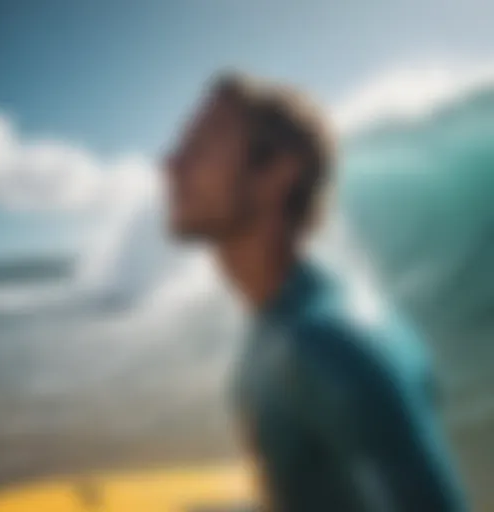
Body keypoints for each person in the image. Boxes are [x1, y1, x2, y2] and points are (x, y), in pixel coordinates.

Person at [164, 72, 467, 511]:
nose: (171, 165)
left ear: (278, 172)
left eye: (199, 147)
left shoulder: (330, 346)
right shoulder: (277, 331)